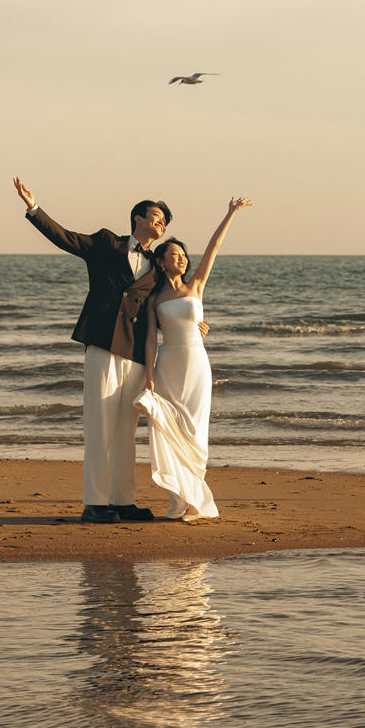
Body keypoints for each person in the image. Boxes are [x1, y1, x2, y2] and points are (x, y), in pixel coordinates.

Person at [13, 177, 191, 524]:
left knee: (126, 431)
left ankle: (123, 501)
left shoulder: (157, 265)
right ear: (137, 218)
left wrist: (194, 324)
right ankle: (94, 502)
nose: (161, 222)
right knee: (100, 427)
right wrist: (34, 208)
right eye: (155, 216)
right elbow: (67, 239)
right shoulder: (107, 243)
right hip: (104, 346)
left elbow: (173, 299)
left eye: (164, 221)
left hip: (138, 354)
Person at [134, 196, 252, 521]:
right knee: (170, 431)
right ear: (161, 261)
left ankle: (195, 499)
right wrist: (148, 379)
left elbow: (214, 247)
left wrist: (230, 213)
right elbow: (149, 341)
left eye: (184, 255)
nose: (182, 259)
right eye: (174, 255)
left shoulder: (195, 286)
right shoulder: (154, 299)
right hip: (168, 368)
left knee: (196, 432)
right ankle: (180, 497)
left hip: (198, 367)